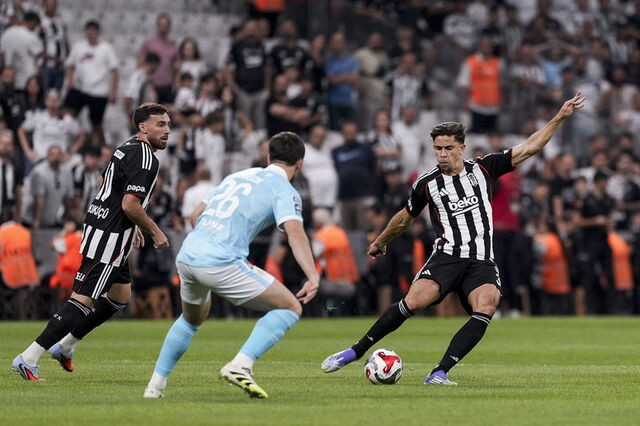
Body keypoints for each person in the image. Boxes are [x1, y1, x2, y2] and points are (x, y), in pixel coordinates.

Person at [322, 93, 585, 385]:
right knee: (414, 301)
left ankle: (439, 372)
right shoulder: (427, 183)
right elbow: (406, 217)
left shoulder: (484, 168)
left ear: (462, 147)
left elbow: (530, 147)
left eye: (448, 148)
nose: (443, 154)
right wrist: (381, 240)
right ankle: (355, 351)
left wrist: (559, 117)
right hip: (447, 256)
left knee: (487, 304)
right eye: (438, 149)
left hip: (481, 260)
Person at [143, 131, 319, 399]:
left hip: (189, 255)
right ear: (300, 163)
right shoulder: (285, 190)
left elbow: (195, 215)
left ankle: (154, 388)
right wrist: (313, 275)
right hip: (221, 261)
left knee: (190, 320)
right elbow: (295, 234)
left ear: (268, 158)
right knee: (291, 307)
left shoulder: (237, 176)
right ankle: (241, 365)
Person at [12, 103, 170, 381]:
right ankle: (28, 357)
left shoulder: (127, 146)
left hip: (103, 227)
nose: (167, 130)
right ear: (142, 127)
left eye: (168, 125)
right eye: (160, 125)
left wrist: (132, 225)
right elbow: (130, 204)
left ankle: (65, 346)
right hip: (110, 237)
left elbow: (102, 182)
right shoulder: (147, 159)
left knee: (120, 296)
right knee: (83, 300)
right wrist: (155, 231)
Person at [64, 20, 118, 146]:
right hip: (80, 88)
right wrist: (70, 81)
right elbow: (70, 65)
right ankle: (68, 142)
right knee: (67, 115)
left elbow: (114, 70)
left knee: (96, 123)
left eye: (93, 31)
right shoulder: (79, 47)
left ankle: (97, 147)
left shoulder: (106, 48)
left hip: (99, 91)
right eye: (88, 31)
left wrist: (113, 91)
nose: (90, 34)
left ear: (98, 32)